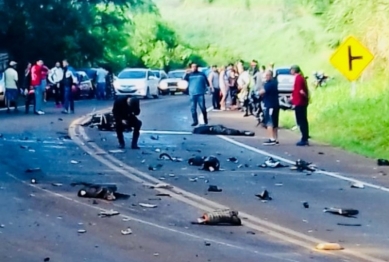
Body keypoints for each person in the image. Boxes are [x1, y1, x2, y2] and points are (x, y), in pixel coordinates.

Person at [184, 62, 209, 126]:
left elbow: (207, 82)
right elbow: (184, 80)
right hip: (192, 94)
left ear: (197, 67)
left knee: (203, 108)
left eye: (195, 66)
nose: (194, 68)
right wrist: (186, 73)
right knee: (193, 108)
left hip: (200, 93)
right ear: (191, 68)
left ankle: (205, 120)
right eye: (192, 67)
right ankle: (195, 121)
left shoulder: (202, 74)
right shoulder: (189, 75)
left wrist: (206, 89)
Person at [290, 65, 309, 146]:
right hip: (300, 102)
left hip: (300, 102)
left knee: (301, 121)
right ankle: (305, 136)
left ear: (294, 70)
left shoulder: (298, 78)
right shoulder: (301, 77)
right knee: (302, 120)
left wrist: (305, 97)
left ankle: (304, 138)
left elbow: (301, 91)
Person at [260, 70, 280, 145]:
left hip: (270, 105)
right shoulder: (275, 83)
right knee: (275, 122)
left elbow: (262, 92)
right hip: (275, 104)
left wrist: (258, 93)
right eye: (266, 75)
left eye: (268, 75)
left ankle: (271, 138)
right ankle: (275, 138)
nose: (266, 77)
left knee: (269, 122)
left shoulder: (268, 84)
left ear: (271, 76)